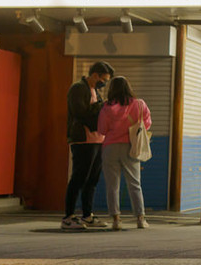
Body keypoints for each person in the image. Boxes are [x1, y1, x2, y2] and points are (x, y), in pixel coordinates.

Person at [62, 60, 114, 230]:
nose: (104, 83)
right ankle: (68, 217)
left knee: (92, 180)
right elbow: (80, 112)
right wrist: (101, 105)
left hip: (97, 139)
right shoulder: (78, 88)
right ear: (95, 75)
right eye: (103, 79)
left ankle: (87, 215)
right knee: (78, 178)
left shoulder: (95, 91)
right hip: (83, 140)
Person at [97, 76, 152, 230]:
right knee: (135, 184)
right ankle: (140, 219)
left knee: (112, 186)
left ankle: (116, 220)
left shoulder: (106, 108)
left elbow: (101, 130)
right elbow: (146, 123)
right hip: (131, 147)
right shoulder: (139, 104)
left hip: (110, 148)